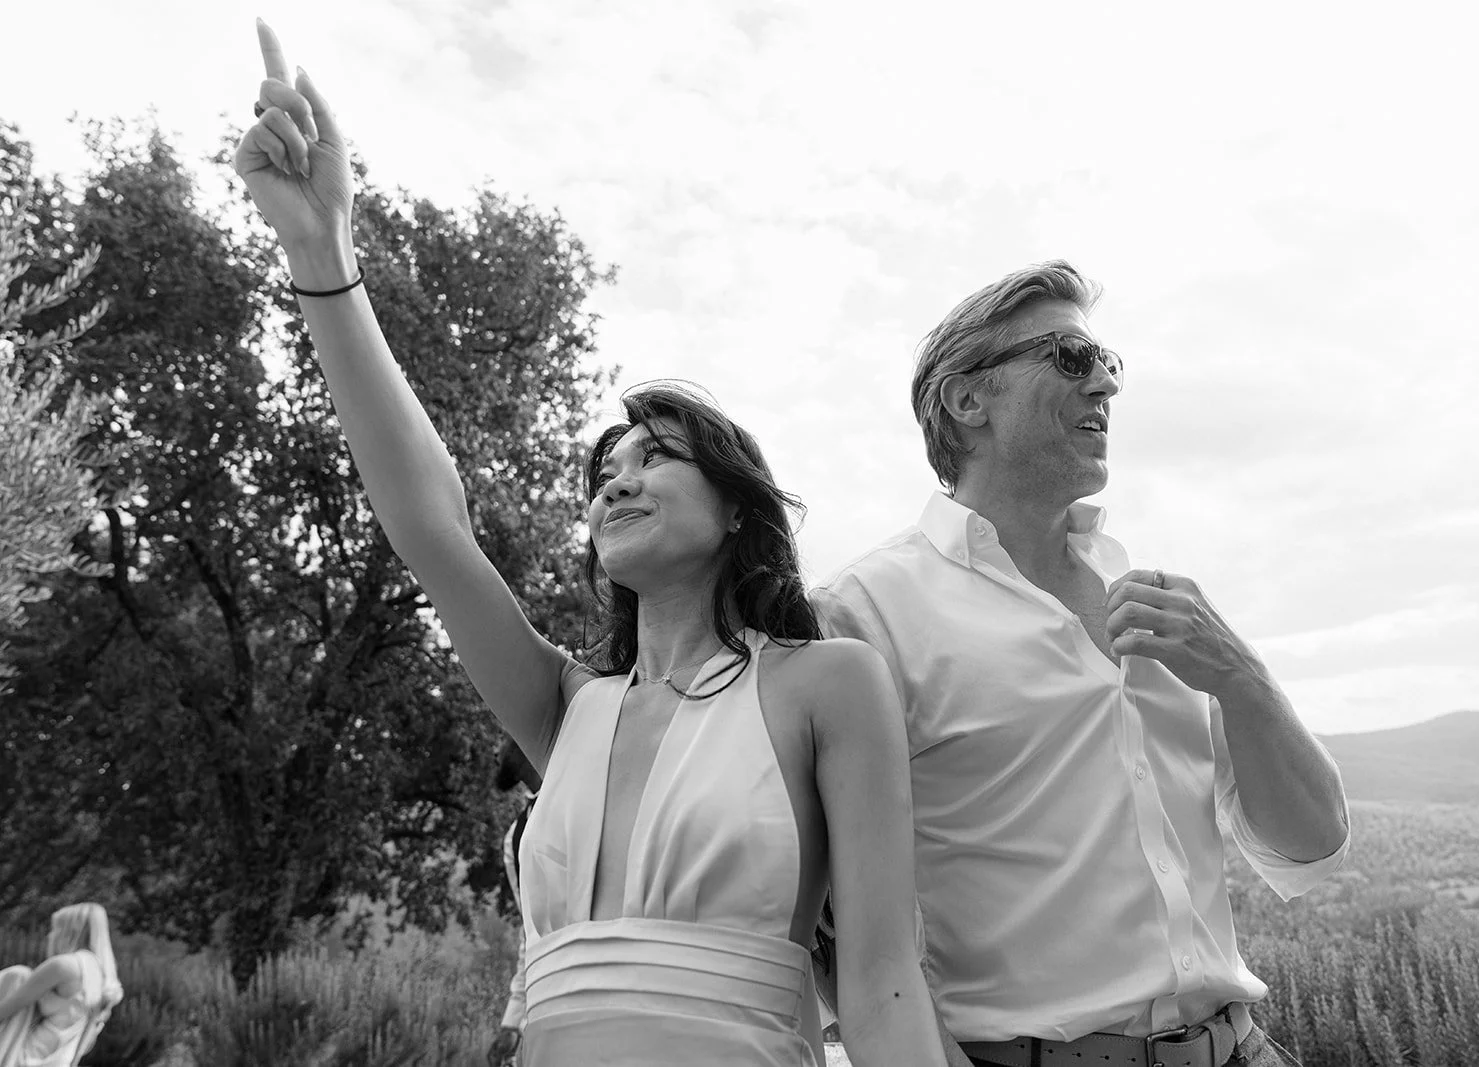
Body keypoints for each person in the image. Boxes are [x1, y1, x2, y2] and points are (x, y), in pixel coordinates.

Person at [234, 20, 943, 1067]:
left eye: (656, 456)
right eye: (604, 469)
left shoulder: (827, 685)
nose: (619, 477)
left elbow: (884, 983)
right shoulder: (567, 706)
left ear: (739, 507)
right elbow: (433, 530)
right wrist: (321, 251)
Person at [813, 261, 1351, 1067]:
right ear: (968, 400)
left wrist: (1241, 676)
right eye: (1070, 356)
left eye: (1109, 362)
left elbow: (1312, 848)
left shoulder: (1165, 606)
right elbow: (828, 924)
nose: (1105, 383)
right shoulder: (861, 612)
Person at [0, 904, 123, 1067]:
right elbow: (86, 1041)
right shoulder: (101, 975)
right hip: (55, 1061)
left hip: (24, 1057)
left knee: (19, 974)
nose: (50, 936)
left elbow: (8, 1007)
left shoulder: (65, 966)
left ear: (70, 932)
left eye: (55, 929)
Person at [487, 740, 542, 1067]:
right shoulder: (516, 837)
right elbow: (530, 932)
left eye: (499, 735)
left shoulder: (594, 796)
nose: (495, 751)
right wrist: (513, 1017)